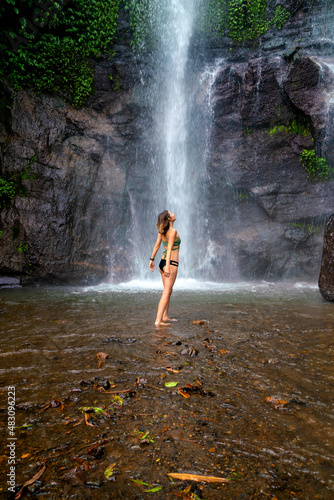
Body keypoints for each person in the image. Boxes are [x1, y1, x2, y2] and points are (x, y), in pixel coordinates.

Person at [149, 210, 181, 326]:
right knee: (166, 292)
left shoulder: (162, 231)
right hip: (170, 263)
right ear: (169, 219)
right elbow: (169, 249)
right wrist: (167, 267)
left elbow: (157, 245)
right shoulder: (172, 231)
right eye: (171, 213)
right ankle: (158, 321)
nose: (173, 213)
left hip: (162, 263)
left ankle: (165, 316)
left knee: (168, 291)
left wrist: (151, 259)